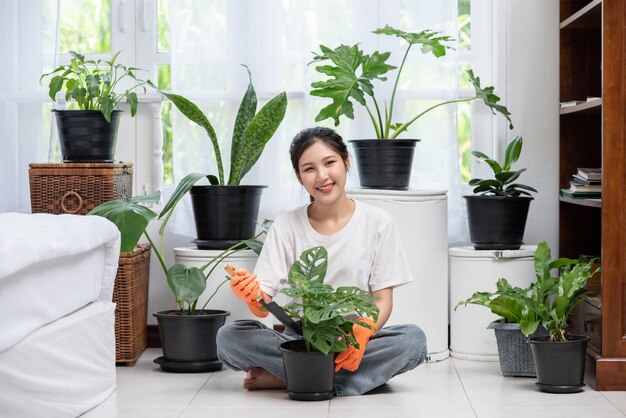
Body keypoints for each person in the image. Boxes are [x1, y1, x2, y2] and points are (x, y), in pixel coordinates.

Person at [216, 126, 427, 396]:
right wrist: (249, 295)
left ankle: (293, 376)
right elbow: (263, 301)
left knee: (413, 340)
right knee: (229, 337)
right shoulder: (286, 224)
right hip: (299, 340)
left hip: (353, 337)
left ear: (347, 162)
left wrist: (362, 332)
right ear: (299, 177)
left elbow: (382, 299)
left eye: (329, 163)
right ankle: (342, 379)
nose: (322, 176)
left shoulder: (378, 222)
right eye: (309, 169)